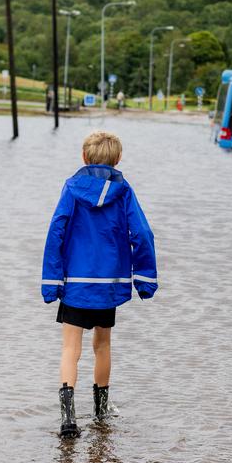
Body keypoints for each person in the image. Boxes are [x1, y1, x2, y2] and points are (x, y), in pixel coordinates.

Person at [42, 131, 157, 437]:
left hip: (76, 283)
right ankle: (101, 412)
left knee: (70, 348)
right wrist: (144, 279)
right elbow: (142, 234)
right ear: (118, 160)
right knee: (102, 345)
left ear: (84, 157)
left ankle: (68, 419)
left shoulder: (71, 187)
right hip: (107, 284)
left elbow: (56, 231)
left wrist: (51, 280)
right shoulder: (125, 191)